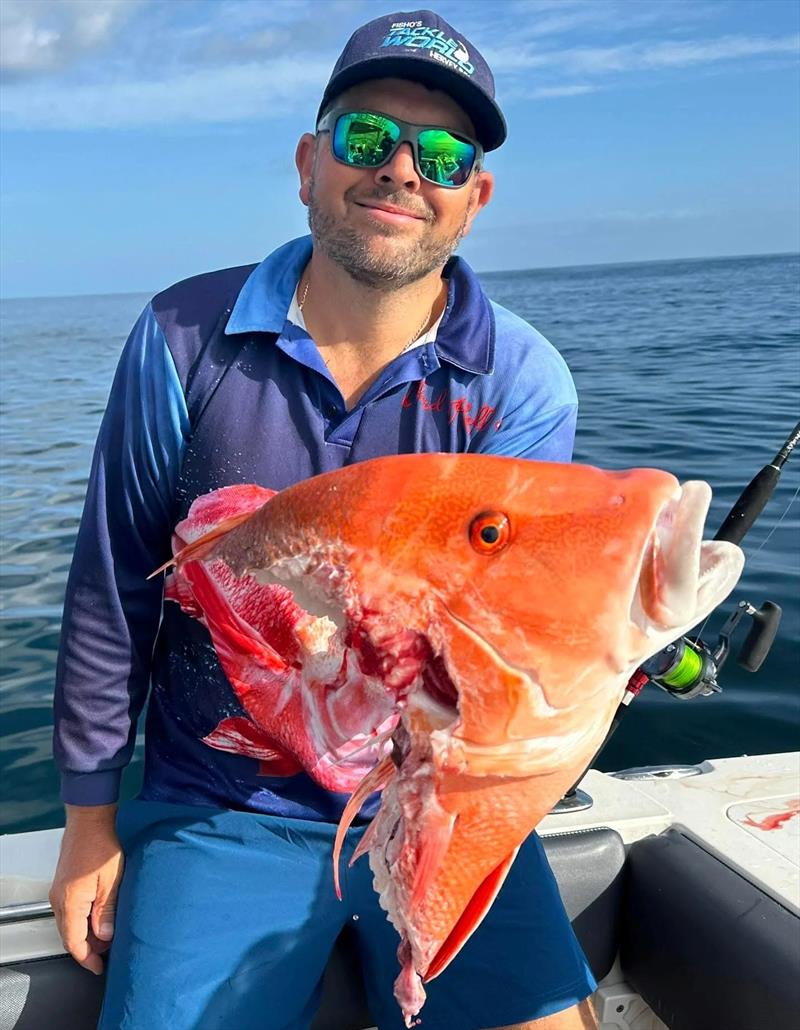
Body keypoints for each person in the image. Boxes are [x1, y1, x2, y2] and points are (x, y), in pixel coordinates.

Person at [49, 9, 597, 1030]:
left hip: (440, 800)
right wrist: (88, 819)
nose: (401, 170)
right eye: (366, 136)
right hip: (222, 807)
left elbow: (508, 644)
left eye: (442, 156)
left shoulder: (521, 382)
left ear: (473, 200)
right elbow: (114, 583)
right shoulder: (182, 336)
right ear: (308, 164)